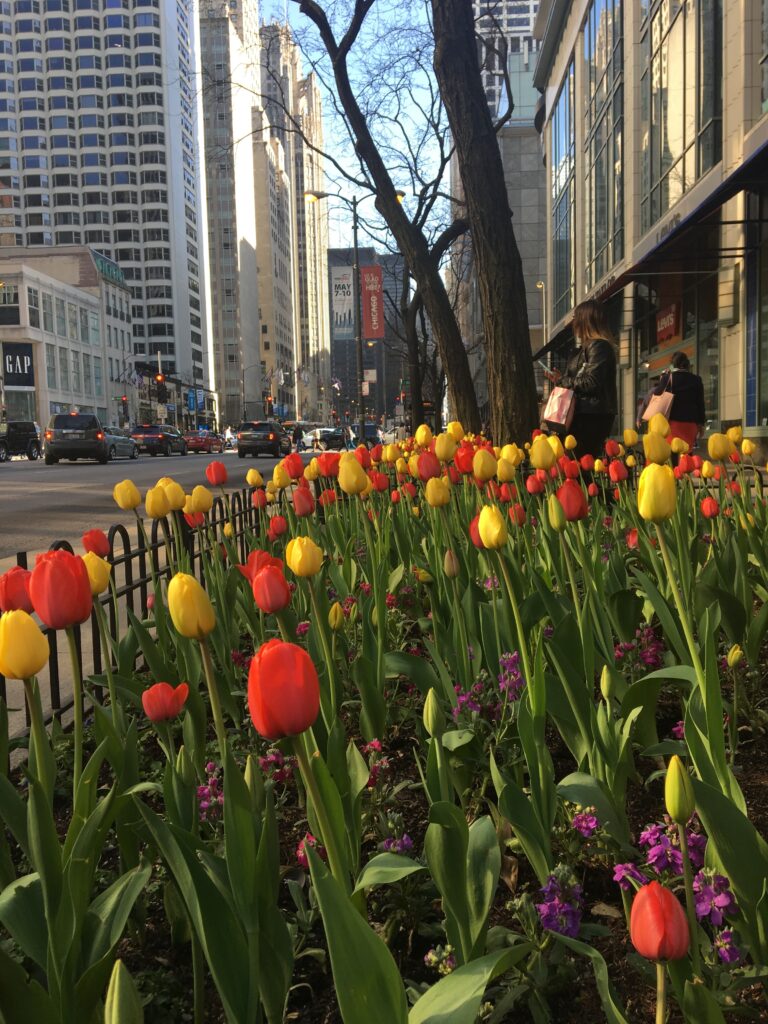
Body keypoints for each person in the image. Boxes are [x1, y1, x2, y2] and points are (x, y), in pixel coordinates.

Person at [545, 299, 617, 458]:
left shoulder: (599, 346)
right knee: (576, 465)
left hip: (589, 417)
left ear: (586, 320)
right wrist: (560, 379)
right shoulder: (588, 347)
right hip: (583, 415)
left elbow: (591, 382)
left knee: (579, 465)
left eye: (576, 317)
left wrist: (563, 381)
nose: (573, 322)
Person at [649, 352, 706, 450]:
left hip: (673, 423)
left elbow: (657, 393)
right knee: (687, 454)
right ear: (687, 364)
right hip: (691, 423)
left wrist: (662, 378)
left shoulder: (668, 378)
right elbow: (700, 403)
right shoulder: (696, 380)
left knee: (673, 453)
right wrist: (701, 423)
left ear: (673, 365)